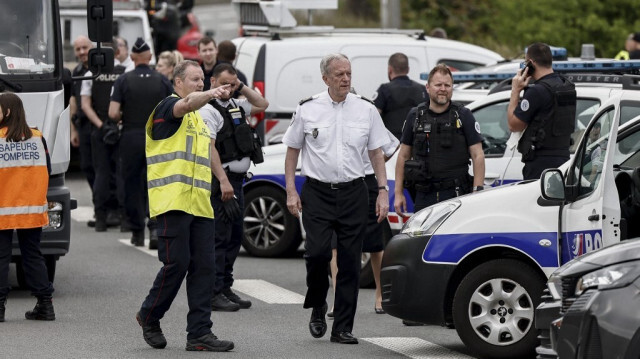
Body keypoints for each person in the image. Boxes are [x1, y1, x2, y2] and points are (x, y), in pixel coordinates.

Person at [283, 53, 390, 345]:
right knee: (316, 253)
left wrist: (382, 191)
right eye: (339, 74)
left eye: (349, 74)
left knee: (349, 262)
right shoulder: (308, 109)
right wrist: (291, 190)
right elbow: (292, 151)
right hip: (317, 192)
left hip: (355, 192)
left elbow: (376, 153)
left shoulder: (366, 110)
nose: (345, 79)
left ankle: (342, 326)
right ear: (326, 78)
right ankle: (318, 302)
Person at [136, 60, 234, 352]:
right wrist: (214, 93)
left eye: (203, 80)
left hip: (200, 204)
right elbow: (187, 103)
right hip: (173, 201)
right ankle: (149, 315)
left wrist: (223, 180)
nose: (200, 84)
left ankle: (200, 334)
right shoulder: (168, 107)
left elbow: (207, 151)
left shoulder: (199, 120)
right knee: (176, 263)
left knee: (205, 267)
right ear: (177, 82)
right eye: (194, 79)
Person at [200, 63, 269, 312]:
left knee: (234, 236)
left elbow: (263, 104)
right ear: (212, 83)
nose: (227, 89)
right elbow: (210, 148)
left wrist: (241, 87)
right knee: (220, 237)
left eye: (231, 84)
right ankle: (214, 291)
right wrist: (223, 180)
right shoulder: (208, 111)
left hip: (238, 182)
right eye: (223, 84)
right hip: (223, 183)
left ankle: (225, 286)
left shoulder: (236, 105)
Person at [395, 64, 485, 216]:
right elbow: (403, 155)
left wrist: (477, 192)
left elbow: (478, 155)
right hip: (423, 196)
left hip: (456, 196)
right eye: (438, 85)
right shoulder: (415, 116)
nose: (443, 88)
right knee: (423, 239)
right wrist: (398, 193)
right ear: (428, 87)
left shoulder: (463, 115)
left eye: (447, 85)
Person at [109, 38, 173, 248]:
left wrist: (121, 116)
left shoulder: (123, 80)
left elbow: (112, 112)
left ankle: (136, 230)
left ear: (133, 58)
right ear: (150, 57)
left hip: (131, 136)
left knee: (132, 183)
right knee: (155, 183)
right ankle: (154, 228)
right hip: (157, 137)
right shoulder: (162, 80)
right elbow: (171, 107)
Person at [328, 129, 399, 317]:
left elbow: (392, 145)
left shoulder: (365, 112)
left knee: (375, 245)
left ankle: (380, 295)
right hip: (338, 183)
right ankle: (337, 299)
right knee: (335, 245)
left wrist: (375, 163)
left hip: (366, 182)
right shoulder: (330, 114)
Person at [0, 93, 55, 322]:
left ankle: (0, 309)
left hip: (3, 209)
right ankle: (45, 305)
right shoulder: (37, 137)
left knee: (1, 258)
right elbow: (48, 170)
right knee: (32, 256)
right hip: (31, 209)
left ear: (8, 112)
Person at [507, 42, 576, 180]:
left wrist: (515, 91)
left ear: (531, 63)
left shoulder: (537, 91)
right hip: (564, 161)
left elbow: (514, 125)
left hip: (540, 166)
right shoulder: (566, 86)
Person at [81, 40, 126, 232]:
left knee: (101, 173)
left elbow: (85, 105)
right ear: (116, 52)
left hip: (99, 129)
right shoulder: (123, 74)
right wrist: (118, 123)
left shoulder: (91, 73)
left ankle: (100, 218)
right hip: (120, 128)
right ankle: (124, 218)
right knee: (121, 173)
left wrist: (100, 125)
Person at [373, 53, 427, 140]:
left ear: (390, 69)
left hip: (392, 144)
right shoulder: (422, 89)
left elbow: (374, 116)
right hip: (417, 142)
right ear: (408, 69)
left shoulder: (384, 89)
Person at [70, 36, 96, 216]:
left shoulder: (102, 69)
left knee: (104, 167)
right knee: (87, 166)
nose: (81, 52)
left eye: (84, 48)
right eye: (78, 49)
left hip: (101, 124)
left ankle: (107, 206)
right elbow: (73, 99)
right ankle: (98, 201)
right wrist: (73, 130)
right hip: (84, 126)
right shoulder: (77, 71)